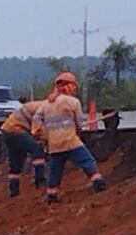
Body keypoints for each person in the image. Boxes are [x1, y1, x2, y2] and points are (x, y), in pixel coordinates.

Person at [33, 72, 107, 204]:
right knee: (87, 160)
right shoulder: (73, 102)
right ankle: (98, 183)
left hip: (54, 145)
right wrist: (78, 130)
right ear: (68, 85)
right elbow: (79, 122)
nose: (75, 89)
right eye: (73, 86)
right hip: (70, 141)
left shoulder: (46, 104)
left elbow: (36, 119)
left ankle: (51, 194)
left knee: (55, 170)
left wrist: (42, 135)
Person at [0, 98, 47, 197]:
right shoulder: (46, 109)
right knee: (37, 151)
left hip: (6, 131)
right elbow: (37, 129)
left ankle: (14, 191)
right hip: (16, 130)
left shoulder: (39, 105)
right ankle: (40, 181)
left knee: (15, 162)